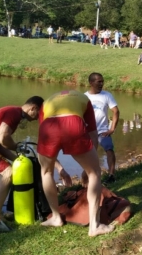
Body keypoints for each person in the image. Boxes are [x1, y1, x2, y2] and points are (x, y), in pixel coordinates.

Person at [0, 96, 71, 217]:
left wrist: (16, 158)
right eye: (38, 114)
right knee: (10, 173)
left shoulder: (13, 112)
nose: (37, 119)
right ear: (33, 108)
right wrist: (17, 147)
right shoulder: (14, 113)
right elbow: (2, 138)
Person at [37, 90, 115, 236]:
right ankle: (94, 226)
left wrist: (60, 168)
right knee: (95, 173)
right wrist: (88, 169)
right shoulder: (84, 98)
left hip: (48, 126)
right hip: (72, 124)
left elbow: (43, 128)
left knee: (46, 172)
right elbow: (92, 133)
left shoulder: (47, 101)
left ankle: (55, 217)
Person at [85, 73, 120, 184]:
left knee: (109, 150)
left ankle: (111, 175)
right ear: (91, 83)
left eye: (102, 81)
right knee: (89, 155)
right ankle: (89, 177)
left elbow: (116, 111)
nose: (101, 84)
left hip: (103, 131)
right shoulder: (84, 97)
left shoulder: (107, 95)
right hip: (89, 132)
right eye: (98, 81)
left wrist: (112, 129)